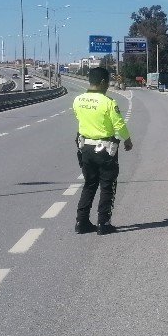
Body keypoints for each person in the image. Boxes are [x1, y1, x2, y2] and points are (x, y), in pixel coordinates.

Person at [72, 67, 133, 235]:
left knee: (89, 184)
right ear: (103, 82)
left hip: (85, 149)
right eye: (107, 83)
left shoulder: (78, 100)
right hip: (105, 150)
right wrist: (127, 140)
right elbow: (119, 124)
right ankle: (103, 223)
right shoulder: (108, 102)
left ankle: (81, 222)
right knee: (108, 186)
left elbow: (79, 118)